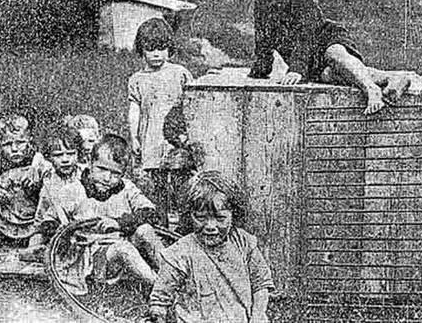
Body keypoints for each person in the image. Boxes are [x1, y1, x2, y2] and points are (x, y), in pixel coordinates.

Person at [249, 0, 413, 115]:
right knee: (332, 75)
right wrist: (261, 69)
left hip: (325, 40)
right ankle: (392, 78)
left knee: (335, 55)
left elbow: (307, 36)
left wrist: (297, 68)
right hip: (312, 61)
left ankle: (371, 90)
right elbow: (263, 37)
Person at [148, 170, 275, 323]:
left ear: (233, 215)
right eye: (200, 217)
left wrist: (258, 315)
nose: (210, 226)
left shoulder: (244, 243)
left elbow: (261, 284)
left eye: (220, 218)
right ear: (190, 215)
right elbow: (160, 299)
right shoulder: (180, 253)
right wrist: (158, 314)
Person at [45, 134, 165, 295]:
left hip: (125, 249)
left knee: (145, 230)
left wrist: (119, 223)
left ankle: (171, 272)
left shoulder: (127, 189)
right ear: (90, 163)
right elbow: (48, 223)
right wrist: (66, 233)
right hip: (94, 258)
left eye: (115, 173)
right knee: (123, 249)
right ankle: (163, 288)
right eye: (101, 169)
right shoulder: (73, 191)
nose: (107, 178)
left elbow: (150, 213)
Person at [128, 18, 193, 226]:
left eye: (162, 48)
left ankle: (184, 221)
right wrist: (134, 137)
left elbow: (192, 101)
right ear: (141, 50)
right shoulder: (137, 79)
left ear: (169, 49)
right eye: (150, 49)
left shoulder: (179, 73)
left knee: (180, 178)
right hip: (152, 137)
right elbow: (134, 109)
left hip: (175, 138)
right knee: (158, 182)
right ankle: (162, 221)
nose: (157, 54)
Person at [0, 114, 52, 249]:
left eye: (20, 142)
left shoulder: (40, 164)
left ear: (29, 140)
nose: (14, 149)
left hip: (36, 224)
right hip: (6, 224)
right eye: (7, 144)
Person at [33, 124, 87, 249]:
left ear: (78, 154)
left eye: (70, 153)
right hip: (55, 233)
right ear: (49, 157)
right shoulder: (49, 184)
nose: (65, 159)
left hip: (83, 230)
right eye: (58, 155)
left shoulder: (85, 177)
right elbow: (40, 218)